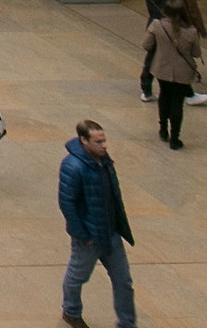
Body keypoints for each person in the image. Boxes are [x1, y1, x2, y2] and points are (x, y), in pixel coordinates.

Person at [58, 120, 136, 328]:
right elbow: (67, 204)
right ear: (83, 140)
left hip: (110, 233)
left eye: (104, 140)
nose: (104, 146)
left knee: (124, 281)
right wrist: (83, 235)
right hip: (89, 238)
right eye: (98, 141)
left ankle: (127, 323)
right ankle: (71, 310)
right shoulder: (73, 166)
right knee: (77, 277)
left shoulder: (104, 161)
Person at [143, 0, 202, 148]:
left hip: (162, 68)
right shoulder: (192, 31)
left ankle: (163, 129)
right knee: (177, 103)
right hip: (183, 72)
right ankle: (175, 138)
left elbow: (147, 44)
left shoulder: (157, 25)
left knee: (164, 96)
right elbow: (196, 53)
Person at [170, 0, 207, 104]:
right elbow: (194, 12)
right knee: (186, 59)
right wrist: (201, 29)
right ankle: (187, 91)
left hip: (176, 25)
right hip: (186, 26)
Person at [137, 0, 175, 102]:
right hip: (168, 25)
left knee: (150, 58)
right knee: (169, 58)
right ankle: (169, 89)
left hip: (153, 23)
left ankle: (146, 89)